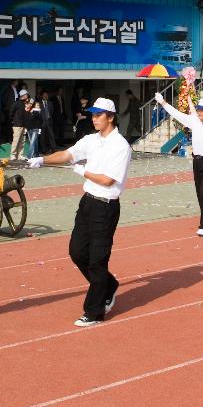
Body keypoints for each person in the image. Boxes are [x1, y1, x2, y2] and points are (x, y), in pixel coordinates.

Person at [28, 97, 132, 327]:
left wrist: (83, 171)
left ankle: (94, 312)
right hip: (87, 203)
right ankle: (108, 285)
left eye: (98, 115)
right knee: (77, 252)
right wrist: (42, 160)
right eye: (93, 114)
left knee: (97, 260)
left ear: (111, 117)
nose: (94, 119)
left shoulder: (121, 146)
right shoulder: (91, 140)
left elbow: (107, 180)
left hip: (105, 206)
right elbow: (68, 154)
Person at [155, 93, 203, 236]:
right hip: (197, 162)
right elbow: (177, 114)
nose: (199, 112)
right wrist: (163, 103)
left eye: (202, 110)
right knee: (200, 194)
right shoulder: (194, 121)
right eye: (198, 109)